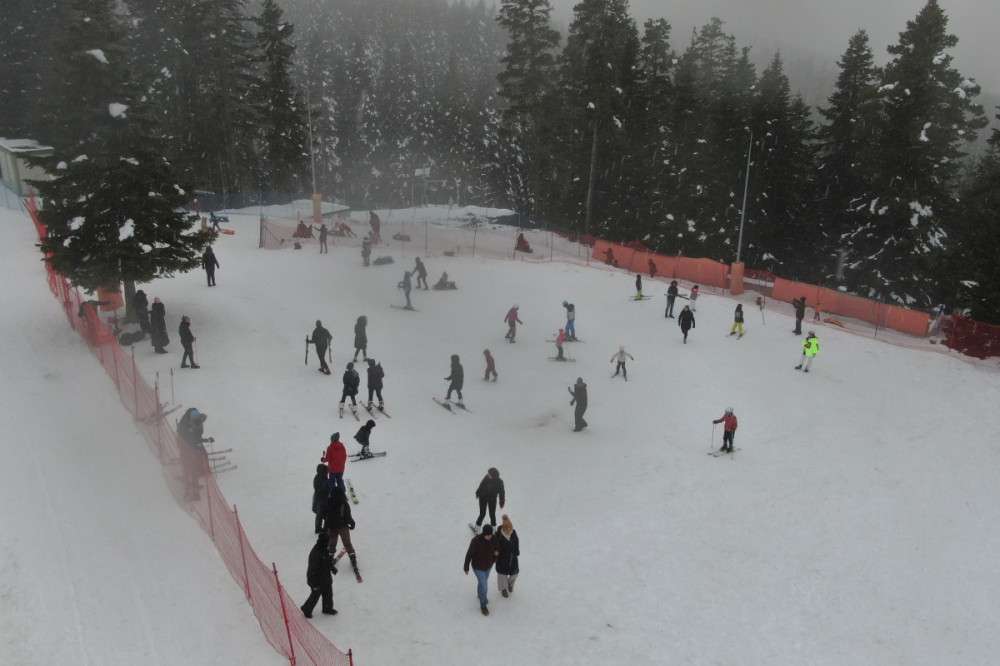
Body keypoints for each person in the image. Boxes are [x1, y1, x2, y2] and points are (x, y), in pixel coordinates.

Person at [177, 408, 213, 500]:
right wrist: (197, 443)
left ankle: (195, 481)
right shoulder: (184, 426)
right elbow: (190, 439)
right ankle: (189, 491)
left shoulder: (197, 421)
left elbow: (197, 436)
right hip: (185, 445)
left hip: (194, 443)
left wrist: (206, 440)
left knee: (200, 458)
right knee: (189, 465)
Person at [300, 532, 337, 619]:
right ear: (324, 541)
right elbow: (312, 570)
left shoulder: (324, 549)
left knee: (328, 593)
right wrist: (314, 584)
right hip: (316, 579)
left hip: (325, 576)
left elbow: (327, 561)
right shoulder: (316, 553)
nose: (329, 543)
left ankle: (327, 608)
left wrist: (332, 568)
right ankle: (306, 609)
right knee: (315, 595)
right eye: (328, 541)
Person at [464, 524, 498, 616]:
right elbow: (469, 554)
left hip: (488, 566)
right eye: (487, 535)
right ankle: (483, 605)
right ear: (484, 534)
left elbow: (497, 548)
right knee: (484, 585)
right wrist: (466, 567)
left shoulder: (494, 538)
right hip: (478, 567)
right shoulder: (476, 541)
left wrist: (495, 557)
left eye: (490, 535)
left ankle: (480, 595)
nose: (489, 537)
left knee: (483, 582)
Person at [325, 488, 358, 575]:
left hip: (332, 527)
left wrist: (326, 527)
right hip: (343, 526)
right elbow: (348, 516)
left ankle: (330, 556)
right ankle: (353, 558)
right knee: (347, 543)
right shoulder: (344, 503)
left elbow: (326, 515)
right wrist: (352, 523)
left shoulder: (328, 502)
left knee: (331, 543)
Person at [494, 515, 520, 598]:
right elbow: (495, 546)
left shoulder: (513, 533)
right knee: (502, 575)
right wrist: (496, 552)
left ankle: (510, 584)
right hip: (502, 559)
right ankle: (503, 589)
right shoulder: (498, 535)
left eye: (510, 529)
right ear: (504, 529)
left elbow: (516, 543)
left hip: (512, 559)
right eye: (508, 530)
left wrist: (516, 551)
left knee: (515, 573)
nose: (510, 531)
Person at [312, 463, 328, 534]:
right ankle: (318, 528)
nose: (327, 473)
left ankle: (324, 528)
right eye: (326, 471)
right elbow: (320, 489)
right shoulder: (318, 479)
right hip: (320, 500)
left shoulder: (323, 477)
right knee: (320, 515)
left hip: (322, 500)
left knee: (324, 514)